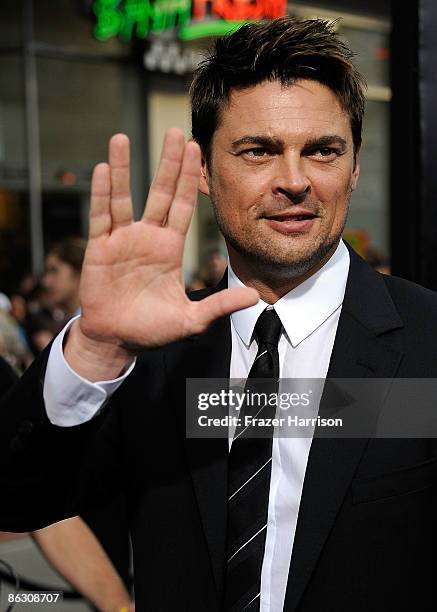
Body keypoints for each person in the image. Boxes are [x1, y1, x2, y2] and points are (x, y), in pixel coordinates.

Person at [1, 16, 437, 612]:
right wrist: (97, 347)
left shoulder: (428, 342)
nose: (294, 180)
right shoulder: (150, 355)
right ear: (203, 169)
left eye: (323, 151)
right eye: (258, 151)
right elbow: (16, 498)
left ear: (355, 165)